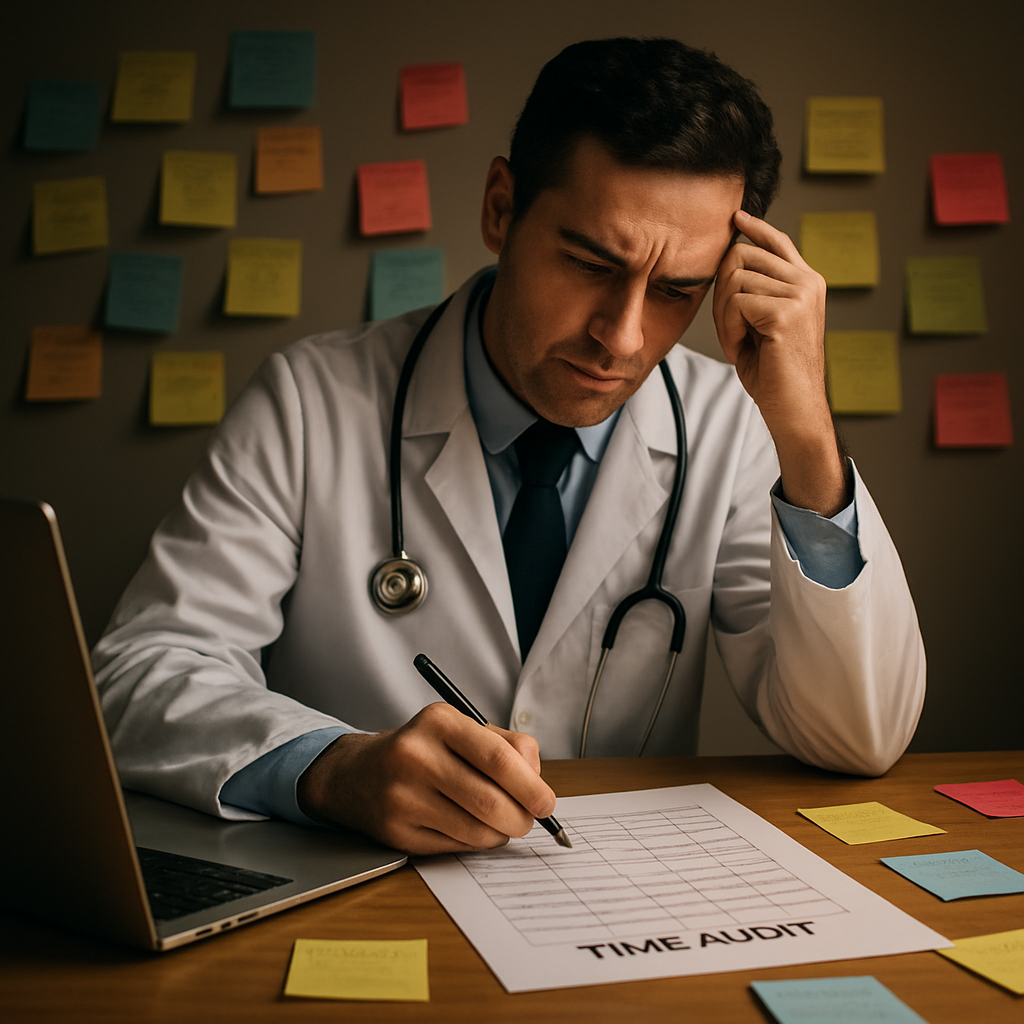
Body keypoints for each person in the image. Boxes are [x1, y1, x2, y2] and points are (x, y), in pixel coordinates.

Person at [92, 38, 925, 856]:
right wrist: (334, 768)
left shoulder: (731, 427)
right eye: (590, 262)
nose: (623, 337)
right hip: (365, 896)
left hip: (605, 913)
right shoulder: (310, 401)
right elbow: (136, 676)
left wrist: (808, 431)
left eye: (677, 291)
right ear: (501, 206)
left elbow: (859, 737)